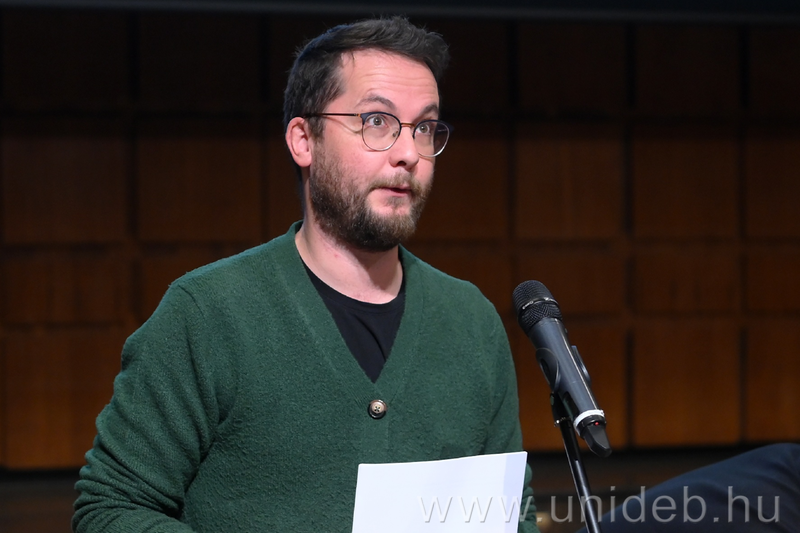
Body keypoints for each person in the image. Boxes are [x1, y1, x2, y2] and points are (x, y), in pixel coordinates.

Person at [72, 16, 540, 533]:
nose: (409, 153)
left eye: (424, 128)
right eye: (377, 122)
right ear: (303, 140)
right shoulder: (208, 314)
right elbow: (110, 509)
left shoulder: (472, 322)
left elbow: (510, 516)